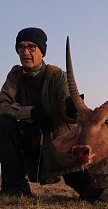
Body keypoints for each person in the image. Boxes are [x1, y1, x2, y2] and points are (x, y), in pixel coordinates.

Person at [0, 27, 91, 196]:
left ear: (43, 51)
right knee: (3, 124)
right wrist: (31, 112)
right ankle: (15, 188)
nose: (25, 52)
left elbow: (68, 115)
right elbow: (2, 106)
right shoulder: (15, 75)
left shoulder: (58, 76)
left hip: (58, 142)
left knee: (90, 190)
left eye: (31, 47)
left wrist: (72, 111)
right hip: (29, 141)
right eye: (21, 47)